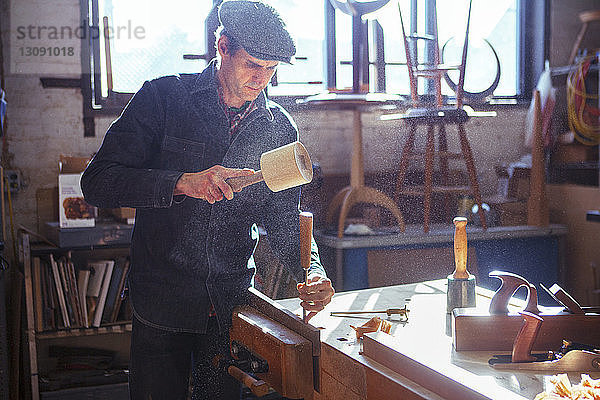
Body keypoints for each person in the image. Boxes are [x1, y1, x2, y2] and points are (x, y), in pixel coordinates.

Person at [81, 1, 335, 399]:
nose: (261, 79)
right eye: (252, 64)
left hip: (231, 306)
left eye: (271, 70)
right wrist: (182, 182)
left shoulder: (278, 128)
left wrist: (312, 271)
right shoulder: (163, 99)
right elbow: (98, 183)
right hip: (162, 302)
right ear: (222, 47)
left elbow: (285, 220)